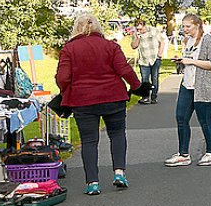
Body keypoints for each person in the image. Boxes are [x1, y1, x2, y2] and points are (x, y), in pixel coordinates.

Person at [55, 13, 141, 194]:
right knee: (117, 134)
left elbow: (63, 77)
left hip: (83, 99)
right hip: (113, 96)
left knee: (89, 141)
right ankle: (119, 173)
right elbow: (124, 69)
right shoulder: (111, 46)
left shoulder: (69, 49)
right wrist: (136, 86)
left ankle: (92, 183)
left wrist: (65, 92)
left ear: (77, 28)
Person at [164, 13, 211, 167]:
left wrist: (192, 61)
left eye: (187, 26)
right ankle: (183, 154)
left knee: (204, 120)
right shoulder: (187, 40)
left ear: (197, 25)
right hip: (187, 85)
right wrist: (181, 60)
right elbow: (188, 61)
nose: (185, 29)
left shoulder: (207, 40)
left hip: (204, 87)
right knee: (181, 118)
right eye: (183, 26)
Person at [132, 19, 165, 104]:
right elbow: (133, 46)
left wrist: (159, 54)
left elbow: (162, 42)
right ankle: (145, 97)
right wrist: (138, 38)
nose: (139, 31)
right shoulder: (136, 34)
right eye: (137, 29)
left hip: (155, 58)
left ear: (144, 26)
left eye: (141, 29)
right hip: (143, 60)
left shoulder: (153, 30)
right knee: (144, 80)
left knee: (154, 79)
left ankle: (154, 97)